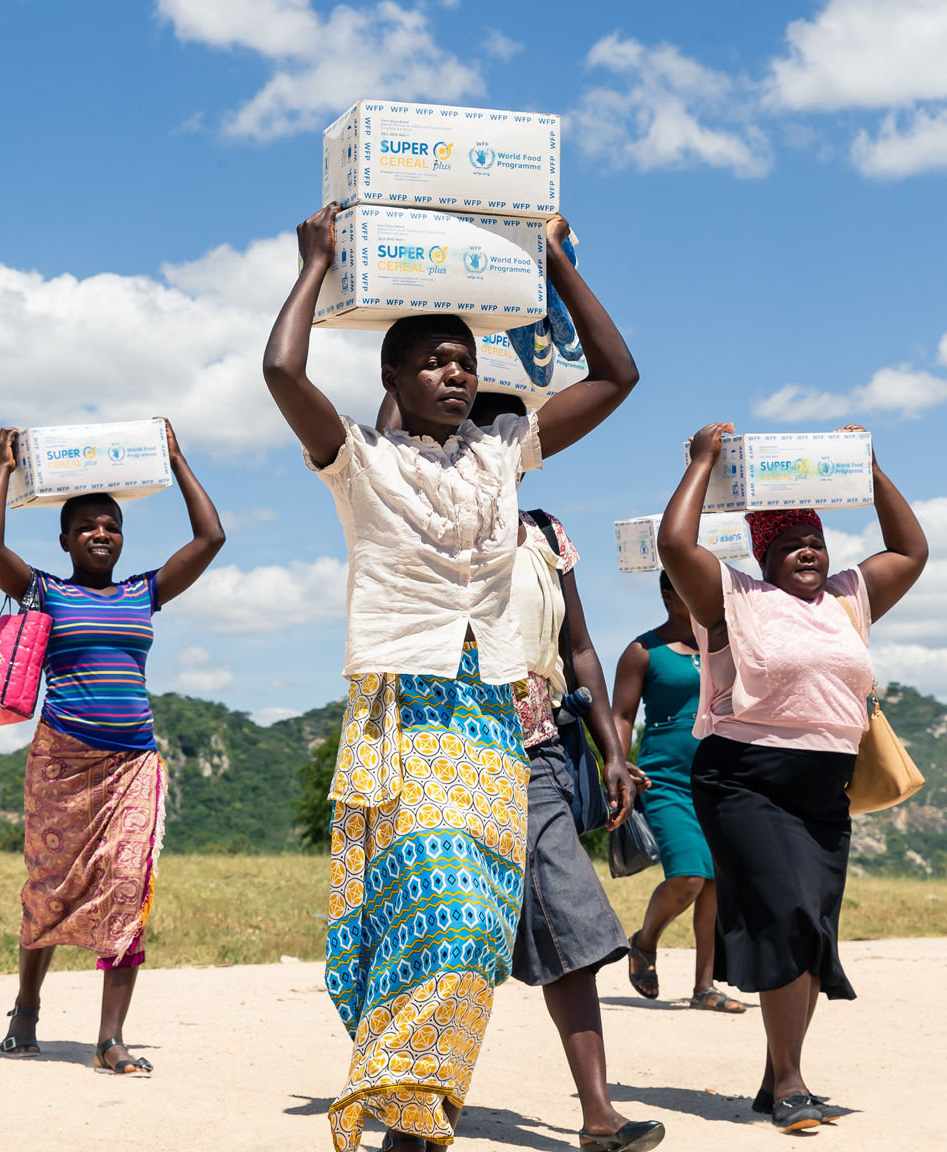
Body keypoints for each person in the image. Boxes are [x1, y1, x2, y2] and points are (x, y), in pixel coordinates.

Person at [263, 205, 639, 1152]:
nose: (456, 372)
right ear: (390, 379)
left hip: (488, 717)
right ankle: (399, 1104)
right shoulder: (358, 461)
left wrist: (552, 260)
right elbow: (280, 371)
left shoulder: (503, 456)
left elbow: (616, 375)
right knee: (436, 912)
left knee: (472, 933)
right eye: (433, 360)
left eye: (466, 360)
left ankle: (414, 1117)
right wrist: (315, 264)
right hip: (405, 710)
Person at [393, 390, 661, 1151]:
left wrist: (613, 747)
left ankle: (599, 1116)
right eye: (474, 429)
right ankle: (415, 1110)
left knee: (567, 919)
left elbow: (580, 648)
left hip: (536, 751)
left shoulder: (545, 532)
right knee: (443, 932)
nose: (488, 443)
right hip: (442, 750)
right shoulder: (418, 514)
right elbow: (388, 428)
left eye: (505, 431)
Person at [657, 422, 927, 1133]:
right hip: (745, 781)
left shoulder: (848, 599)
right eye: (787, 545)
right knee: (788, 915)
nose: (807, 552)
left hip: (822, 790)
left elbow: (911, 550)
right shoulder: (733, 601)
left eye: (814, 542)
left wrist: (868, 469)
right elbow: (675, 546)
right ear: (761, 556)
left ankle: (778, 1075)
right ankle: (791, 1082)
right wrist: (702, 462)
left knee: (811, 930)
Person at [0, 419, 223, 1073]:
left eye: (111, 525)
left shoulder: (146, 591)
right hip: (62, 762)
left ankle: (110, 1039)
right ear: (64, 540)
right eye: (86, 526)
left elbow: (211, 537)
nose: (101, 533)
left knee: (125, 892)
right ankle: (26, 1009)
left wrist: (177, 460)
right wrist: (2, 467)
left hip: (132, 763)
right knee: (49, 889)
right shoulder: (44, 592)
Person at [608, 573, 744, 1014]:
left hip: (724, 777)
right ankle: (644, 941)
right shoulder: (643, 651)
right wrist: (620, 763)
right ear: (670, 593)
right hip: (664, 779)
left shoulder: (729, 645)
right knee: (688, 875)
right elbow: (622, 714)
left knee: (715, 886)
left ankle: (704, 987)